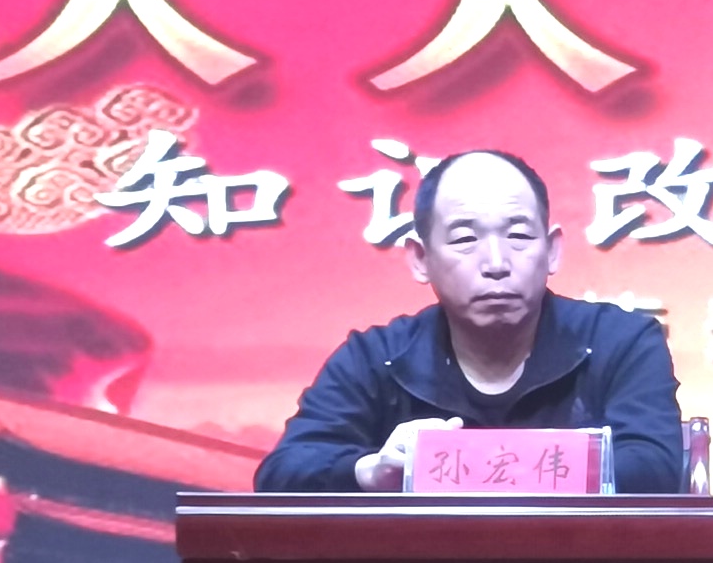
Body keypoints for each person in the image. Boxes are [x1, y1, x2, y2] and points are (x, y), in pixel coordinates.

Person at [256, 146, 684, 490]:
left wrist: (455, 465)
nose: (496, 263)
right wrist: (372, 470)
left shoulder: (621, 342)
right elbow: (282, 472)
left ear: (553, 251)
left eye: (518, 235)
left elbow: (654, 469)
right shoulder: (374, 358)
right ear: (420, 259)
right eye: (465, 238)